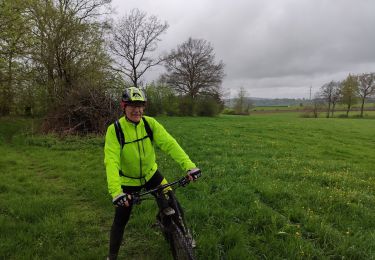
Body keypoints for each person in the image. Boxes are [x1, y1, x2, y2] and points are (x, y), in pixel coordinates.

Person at [104, 87, 201, 259]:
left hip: (151, 175)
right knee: (120, 220)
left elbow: (170, 144)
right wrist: (117, 192)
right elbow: (111, 160)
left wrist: (189, 166)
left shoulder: (150, 123)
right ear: (123, 106)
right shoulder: (115, 130)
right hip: (128, 181)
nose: (137, 110)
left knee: (174, 203)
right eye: (132, 105)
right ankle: (112, 256)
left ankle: (184, 236)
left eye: (140, 105)